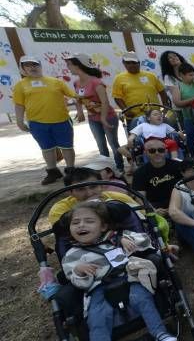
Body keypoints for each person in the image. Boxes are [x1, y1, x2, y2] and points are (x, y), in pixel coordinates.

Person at [62, 202, 177, 341]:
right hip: (98, 289)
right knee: (97, 318)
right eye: (75, 223)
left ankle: (160, 334)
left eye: (89, 221)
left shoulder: (117, 237)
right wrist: (80, 271)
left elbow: (146, 241)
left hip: (128, 278)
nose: (81, 225)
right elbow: (74, 279)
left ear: (104, 226)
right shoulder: (72, 255)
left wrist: (124, 238)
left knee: (142, 299)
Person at [12, 55, 78, 184]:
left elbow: (74, 95)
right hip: (37, 123)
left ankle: (71, 171)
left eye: (35, 64)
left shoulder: (55, 81)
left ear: (40, 66)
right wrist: (19, 122)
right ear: (23, 69)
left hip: (62, 120)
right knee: (46, 148)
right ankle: (53, 172)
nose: (32, 67)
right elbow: (19, 105)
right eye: (28, 65)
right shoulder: (20, 85)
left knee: (67, 147)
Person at [67, 54, 124, 172]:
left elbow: (105, 102)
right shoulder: (76, 83)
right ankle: (107, 169)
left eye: (69, 65)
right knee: (101, 145)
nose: (68, 68)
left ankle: (119, 168)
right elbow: (77, 98)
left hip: (108, 117)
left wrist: (103, 118)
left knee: (113, 144)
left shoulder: (96, 82)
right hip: (93, 119)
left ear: (78, 65)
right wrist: (80, 111)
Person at [48, 167, 137, 224]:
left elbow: (144, 218)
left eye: (93, 187)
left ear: (102, 186)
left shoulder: (119, 198)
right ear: (70, 193)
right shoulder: (60, 210)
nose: (89, 193)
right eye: (81, 189)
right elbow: (64, 238)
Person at [111, 52, 172, 129]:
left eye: (134, 62)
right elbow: (117, 97)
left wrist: (165, 107)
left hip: (155, 115)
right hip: (134, 118)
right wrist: (126, 110)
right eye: (128, 63)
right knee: (137, 140)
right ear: (124, 64)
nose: (131, 65)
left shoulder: (151, 76)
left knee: (162, 138)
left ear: (139, 63)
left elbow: (162, 91)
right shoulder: (119, 78)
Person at [132, 137, 184, 212]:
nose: (157, 153)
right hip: (155, 206)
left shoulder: (178, 166)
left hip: (180, 202)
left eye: (161, 150)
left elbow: (190, 185)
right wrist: (152, 210)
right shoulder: (139, 173)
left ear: (166, 151)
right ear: (145, 153)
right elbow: (140, 197)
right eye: (152, 151)